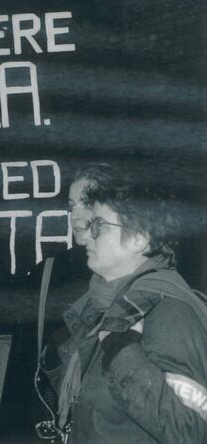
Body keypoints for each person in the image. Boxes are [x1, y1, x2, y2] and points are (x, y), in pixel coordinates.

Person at [38, 165, 207, 443]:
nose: (87, 235)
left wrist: (122, 352)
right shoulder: (106, 306)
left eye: (99, 226)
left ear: (139, 238)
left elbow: (189, 430)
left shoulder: (170, 312)